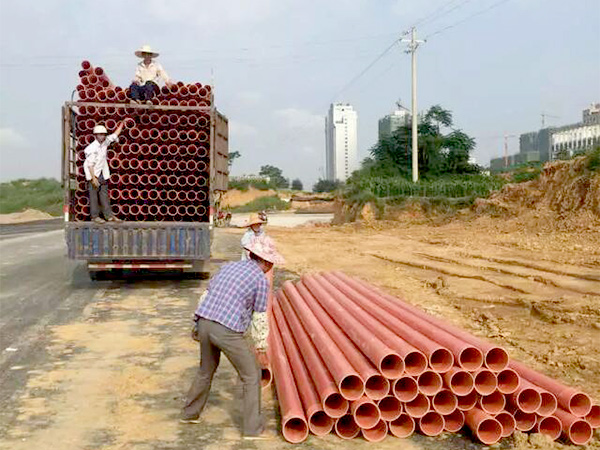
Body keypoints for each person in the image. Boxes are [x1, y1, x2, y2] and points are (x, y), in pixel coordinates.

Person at [182, 236, 285, 440]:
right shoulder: (260, 280)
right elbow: (260, 318)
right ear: (264, 261)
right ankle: (252, 429)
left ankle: (189, 414)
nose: (271, 266)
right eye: (271, 262)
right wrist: (261, 349)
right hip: (226, 329)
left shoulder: (229, 267)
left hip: (205, 321)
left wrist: (197, 325)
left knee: (205, 370)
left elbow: (206, 295)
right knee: (251, 375)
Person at [83, 122, 124, 223]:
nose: (103, 136)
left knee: (104, 195)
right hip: (93, 174)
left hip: (102, 173)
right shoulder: (92, 148)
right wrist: (93, 179)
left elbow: (115, 135)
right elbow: (90, 165)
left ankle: (109, 216)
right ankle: (95, 216)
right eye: (100, 134)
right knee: (94, 196)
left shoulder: (105, 143)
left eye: (104, 134)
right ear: (95, 135)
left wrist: (122, 123)